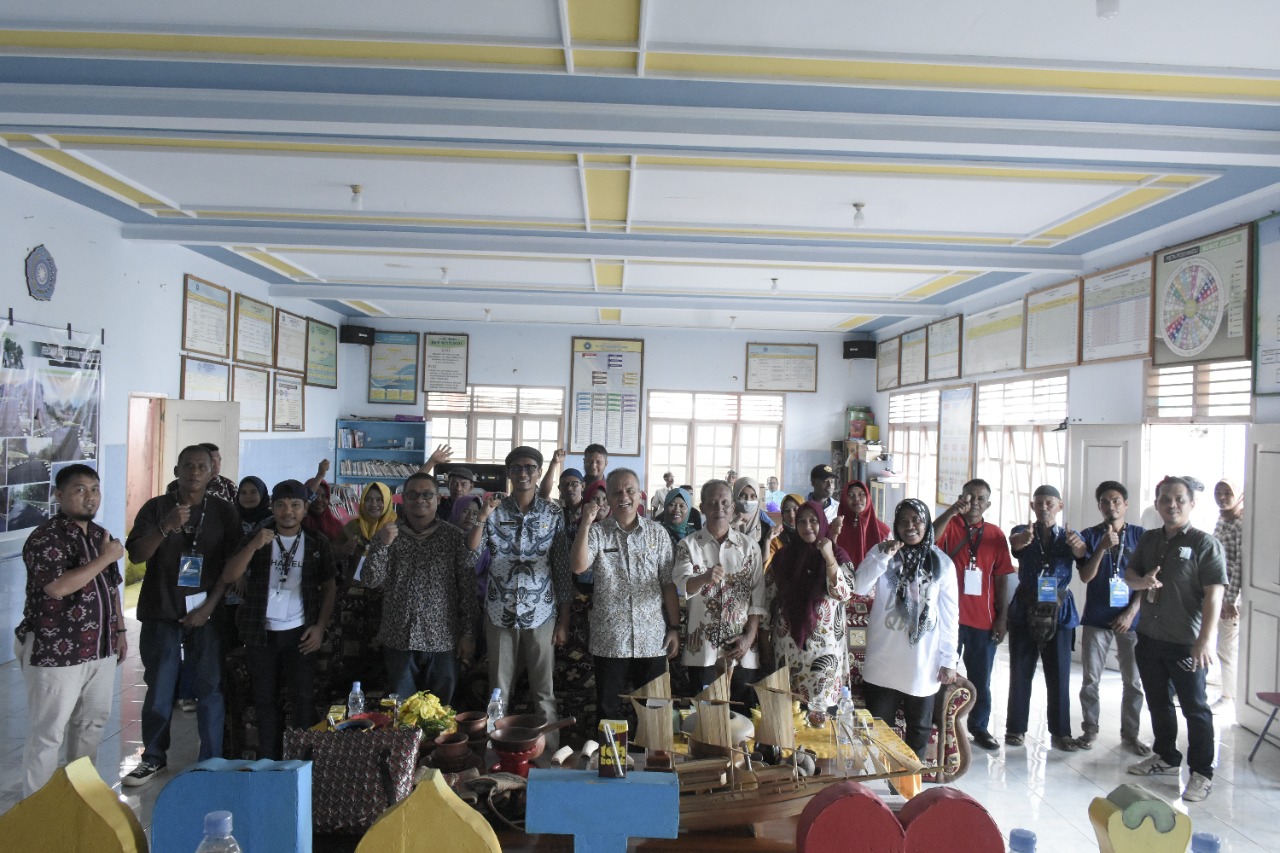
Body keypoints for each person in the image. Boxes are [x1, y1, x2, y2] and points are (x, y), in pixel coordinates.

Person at [124, 445, 241, 786]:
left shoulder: (223, 512)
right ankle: (153, 757)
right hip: (162, 608)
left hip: (207, 612)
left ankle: (211, 759)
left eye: (201, 466)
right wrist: (165, 527)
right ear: (176, 470)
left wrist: (209, 607)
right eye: (187, 465)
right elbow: (136, 556)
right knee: (160, 686)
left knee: (210, 686)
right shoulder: (156, 508)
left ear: (212, 473)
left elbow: (231, 568)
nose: (194, 471)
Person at [16, 464, 126, 796]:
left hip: (100, 648)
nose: (90, 496)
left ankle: (79, 800)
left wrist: (120, 631)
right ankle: (37, 808)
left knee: (90, 727)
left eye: (95, 488)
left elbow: (111, 588)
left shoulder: (99, 535)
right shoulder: (45, 537)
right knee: (49, 733)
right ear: (59, 495)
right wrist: (105, 559)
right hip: (55, 651)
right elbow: (57, 588)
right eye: (80, 489)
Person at [216, 480, 338, 759]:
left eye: (295, 505)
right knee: (264, 701)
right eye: (281, 505)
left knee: (303, 699)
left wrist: (320, 627)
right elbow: (229, 576)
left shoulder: (317, 542)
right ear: (272, 507)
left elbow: (330, 585)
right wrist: (254, 545)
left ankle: (303, 761)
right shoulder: (258, 536)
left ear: (305, 509)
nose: (288, 512)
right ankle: (268, 761)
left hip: (300, 634)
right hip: (261, 634)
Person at [1124, 476, 1226, 803]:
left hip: (1186, 642)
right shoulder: (1150, 539)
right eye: (1166, 499)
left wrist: (1205, 640)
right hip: (1150, 638)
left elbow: (1214, 595)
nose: (1172, 505)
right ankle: (1166, 756)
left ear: (1192, 504)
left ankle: (1202, 772)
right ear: (1157, 504)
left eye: (1180, 499)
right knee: (1158, 701)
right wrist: (1143, 581)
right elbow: (1130, 577)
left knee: (1195, 708)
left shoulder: (1204, 544)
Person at [470, 446, 571, 748]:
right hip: (499, 612)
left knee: (544, 692)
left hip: (542, 612)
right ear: (509, 473)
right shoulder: (494, 509)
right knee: (498, 690)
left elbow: (563, 570)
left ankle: (551, 754)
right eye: (516, 468)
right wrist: (481, 516)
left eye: (529, 467)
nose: (523, 473)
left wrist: (564, 620)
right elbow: (471, 556)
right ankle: (495, 751)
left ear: (539, 473)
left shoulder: (553, 513)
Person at [571, 468, 680, 723]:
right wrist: (586, 523)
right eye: (616, 492)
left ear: (640, 495)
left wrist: (674, 627)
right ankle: (610, 761)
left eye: (630, 490)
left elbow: (668, 584)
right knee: (608, 710)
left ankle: (651, 760)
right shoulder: (597, 532)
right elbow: (577, 566)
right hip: (610, 638)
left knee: (654, 711)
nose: (624, 497)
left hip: (652, 638)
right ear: (607, 497)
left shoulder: (658, 533)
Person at [854, 498, 960, 757]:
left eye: (916, 520)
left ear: (926, 523)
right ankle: (880, 785)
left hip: (922, 663)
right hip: (883, 662)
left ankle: (911, 787)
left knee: (919, 729)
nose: (909, 526)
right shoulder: (881, 553)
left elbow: (949, 616)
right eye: (903, 521)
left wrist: (949, 660)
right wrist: (883, 556)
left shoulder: (942, 564)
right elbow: (858, 587)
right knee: (879, 730)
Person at [364, 472, 478, 705]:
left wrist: (468, 633)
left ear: (438, 499)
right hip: (399, 638)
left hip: (443, 639)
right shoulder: (387, 534)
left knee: (441, 715)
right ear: (403, 499)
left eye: (427, 495)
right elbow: (370, 580)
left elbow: (466, 589)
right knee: (403, 714)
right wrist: (382, 546)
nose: (420, 500)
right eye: (413, 495)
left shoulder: (454, 537)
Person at [931, 479, 1014, 752]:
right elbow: (930, 538)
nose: (975, 502)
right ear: (961, 498)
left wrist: (1002, 618)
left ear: (988, 504)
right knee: (941, 674)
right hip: (948, 619)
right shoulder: (951, 526)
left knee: (982, 678)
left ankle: (979, 727)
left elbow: (1001, 578)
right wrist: (952, 511)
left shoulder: (995, 534)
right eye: (970, 497)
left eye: (981, 498)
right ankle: (938, 723)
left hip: (983, 620)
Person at [673, 480, 766, 708]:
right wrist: (704, 577)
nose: (719, 508)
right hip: (702, 652)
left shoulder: (749, 547)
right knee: (704, 722)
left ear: (733, 507)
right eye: (712, 503)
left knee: (743, 721)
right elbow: (682, 585)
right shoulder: (688, 545)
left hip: (742, 651)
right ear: (702, 508)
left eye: (725, 503)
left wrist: (748, 638)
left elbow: (758, 599)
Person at [1070, 481, 1148, 754]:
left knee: (1134, 682)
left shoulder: (1141, 536)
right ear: (1099, 506)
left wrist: (1131, 612)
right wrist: (1102, 547)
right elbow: (1085, 576)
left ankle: (1131, 735)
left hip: (1131, 620)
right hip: (1096, 618)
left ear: (1125, 504)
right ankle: (1089, 731)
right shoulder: (1090, 536)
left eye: (1116, 501)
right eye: (1105, 501)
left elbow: (1147, 581)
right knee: (1090, 680)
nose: (1111, 506)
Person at [1004, 485, 1082, 751]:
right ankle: (1015, 728)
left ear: (1059, 506)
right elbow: (1015, 545)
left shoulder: (1070, 536)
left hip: (1059, 612)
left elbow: (1082, 554)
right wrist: (1024, 539)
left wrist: (1079, 547)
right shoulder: (1021, 531)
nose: (1044, 507)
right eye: (1039, 503)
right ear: (1032, 506)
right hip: (1024, 608)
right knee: (1020, 670)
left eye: (1050, 503)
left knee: (1059, 673)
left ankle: (1061, 732)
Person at [765, 501, 852, 721]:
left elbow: (843, 593)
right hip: (788, 651)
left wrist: (828, 556)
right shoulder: (783, 557)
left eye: (813, 520)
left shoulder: (838, 555)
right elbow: (768, 599)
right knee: (789, 719)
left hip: (824, 654)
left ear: (822, 522)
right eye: (801, 521)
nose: (807, 527)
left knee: (821, 722)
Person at [1211, 478, 1243, 710]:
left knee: (1227, 648)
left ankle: (1228, 697)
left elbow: (1239, 564)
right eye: (1218, 492)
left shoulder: (1241, 524)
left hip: (1230, 597)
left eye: (1227, 493)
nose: (1222, 497)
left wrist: (1230, 600)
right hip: (1215, 592)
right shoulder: (1223, 519)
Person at [332, 482, 397, 584]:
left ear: (388, 501)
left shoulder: (396, 528)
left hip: (386, 590)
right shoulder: (352, 526)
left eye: (380, 500)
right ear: (362, 501)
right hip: (354, 589)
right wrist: (344, 549)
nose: (373, 504)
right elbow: (332, 555)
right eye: (368, 499)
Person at [835, 480, 889, 567]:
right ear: (844, 500)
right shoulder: (834, 529)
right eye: (851, 495)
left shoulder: (883, 531)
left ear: (868, 497)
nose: (856, 498)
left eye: (861, 494)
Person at [166, 442, 237, 505]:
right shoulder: (175, 486)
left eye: (218, 460)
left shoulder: (229, 486)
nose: (216, 465)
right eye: (211, 460)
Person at [732, 476, 776, 557]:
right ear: (734, 498)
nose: (748, 500)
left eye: (753, 496)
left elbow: (765, 564)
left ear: (758, 499)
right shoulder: (725, 526)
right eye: (743, 495)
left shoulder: (765, 528)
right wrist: (731, 526)